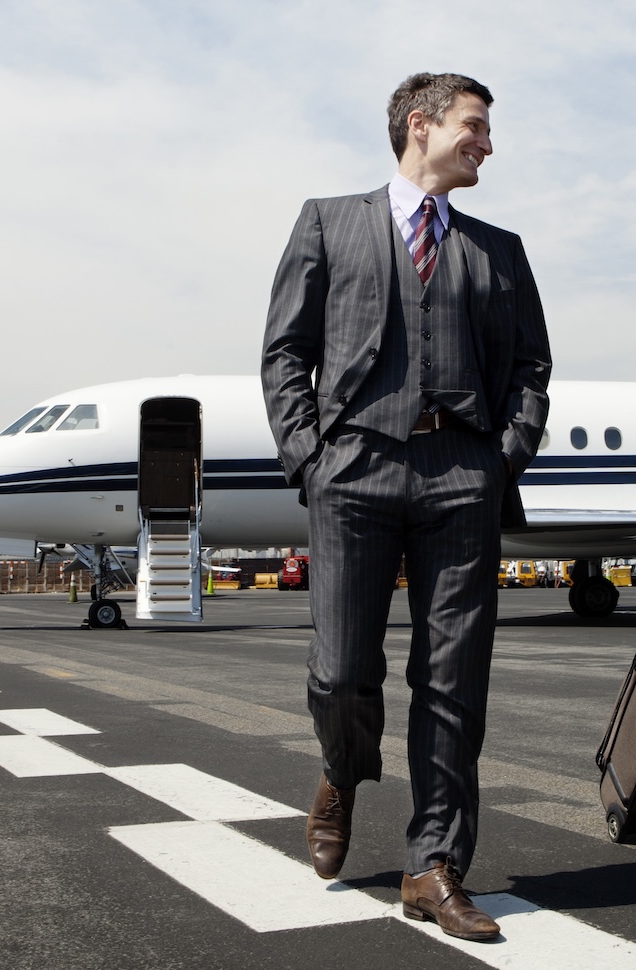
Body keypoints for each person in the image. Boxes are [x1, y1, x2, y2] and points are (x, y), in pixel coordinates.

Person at [260, 72, 551, 941]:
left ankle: (433, 867)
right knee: (342, 671)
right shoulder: (328, 220)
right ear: (420, 126)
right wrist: (312, 459)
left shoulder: (500, 250)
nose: (487, 143)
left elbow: (532, 368)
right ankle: (343, 770)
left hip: (463, 476)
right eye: (475, 126)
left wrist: (501, 460)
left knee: (453, 682)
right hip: (353, 470)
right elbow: (284, 353)